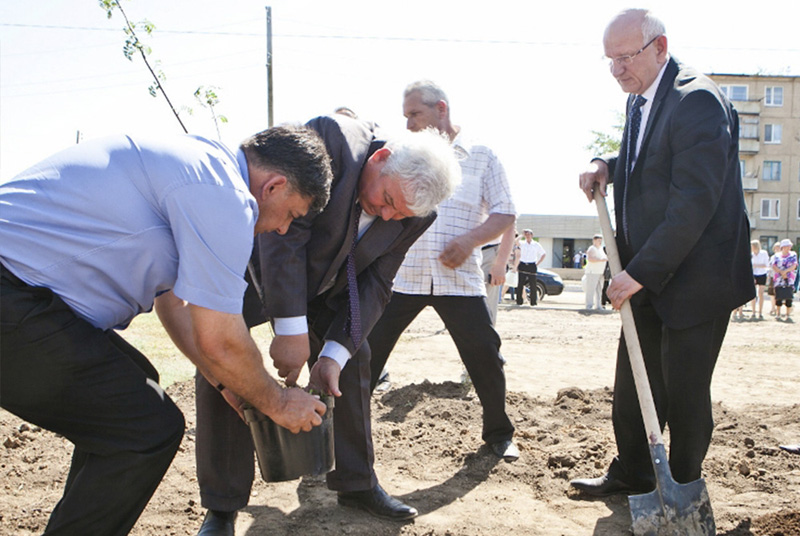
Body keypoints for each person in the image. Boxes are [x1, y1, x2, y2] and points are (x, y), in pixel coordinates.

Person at [0, 126, 334, 535]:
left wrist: (225, 382)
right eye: (291, 215)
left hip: (24, 295)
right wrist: (278, 402)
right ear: (274, 186)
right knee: (145, 428)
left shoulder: (201, 165)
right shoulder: (226, 197)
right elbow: (222, 340)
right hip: (11, 294)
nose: (282, 229)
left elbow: (174, 302)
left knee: (137, 387)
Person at [192, 113, 459, 534]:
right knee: (224, 353)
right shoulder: (333, 142)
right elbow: (284, 235)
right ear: (381, 159)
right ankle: (222, 505)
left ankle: (356, 482)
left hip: (330, 287)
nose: (387, 215)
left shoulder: (415, 214)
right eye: (387, 199)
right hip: (257, 266)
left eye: (399, 214)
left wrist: (332, 356)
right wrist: (290, 330)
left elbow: (378, 282)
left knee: (352, 358)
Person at [572, 9, 753, 498]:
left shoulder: (696, 101)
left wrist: (640, 272)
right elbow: (648, 160)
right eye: (609, 60)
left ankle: (682, 486)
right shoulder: (642, 99)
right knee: (635, 381)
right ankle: (633, 472)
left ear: (660, 47)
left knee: (684, 391)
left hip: (696, 277)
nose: (616, 70)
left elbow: (694, 199)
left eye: (625, 58)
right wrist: (605, 165)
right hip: (647, 270)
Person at [367, 79, 519, 465]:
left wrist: (470, 240)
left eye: (414, 114)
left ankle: (499, 434)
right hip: (403, 277)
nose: (408, 124)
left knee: (485, 355)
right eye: (405, 116)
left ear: (441, 109)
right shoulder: (401, 153)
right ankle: (342, 433)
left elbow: (505, 212)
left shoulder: (481, 156)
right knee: (366, 354)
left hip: (459, 281)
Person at [515, 229, 546, 306]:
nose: (527, 236)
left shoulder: (536, 244)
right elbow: (515, 241)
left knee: (533, 284)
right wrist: (522, 235)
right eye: (526, 234)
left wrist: (538, 263)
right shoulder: (522, 243)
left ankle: (533, 302)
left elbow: (543, 254)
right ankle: (519, 301)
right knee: (520, 284)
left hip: (532, 264)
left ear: (532, 235)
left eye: (529, 234)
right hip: (523, 264)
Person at [771, 239, 797, 322]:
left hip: (789, 279)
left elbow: (794, 265)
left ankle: (788, 314)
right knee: (778, 296)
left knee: (789, 296)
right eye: (787, 246)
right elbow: (773, 265)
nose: (789, 248)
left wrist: (785, 272)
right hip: (778, 279)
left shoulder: (793, 255)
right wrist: (781, 272)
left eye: (789, 246)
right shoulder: (776, 256)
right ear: (783, 247)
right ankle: (778, 313)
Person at [584, 234, 608, 310]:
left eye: (601, 240)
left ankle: (598, 305)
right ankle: (589, 305)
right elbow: (590, 259)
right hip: (592, 272)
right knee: (590, 290)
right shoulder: (592, 248)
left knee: (599, 290)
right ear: (594, 240)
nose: (600, 242)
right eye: (598, 240)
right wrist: (601, 260)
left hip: (600, 272)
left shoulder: (601, 249)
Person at [750, 240, 770, 320]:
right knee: (753, 294)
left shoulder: (764, 253)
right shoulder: (751, 254)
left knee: (761, 293)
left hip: (762, 274)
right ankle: (753, 312)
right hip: (753, 274)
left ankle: (760, 312)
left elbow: (766, 265)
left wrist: (756, 266)